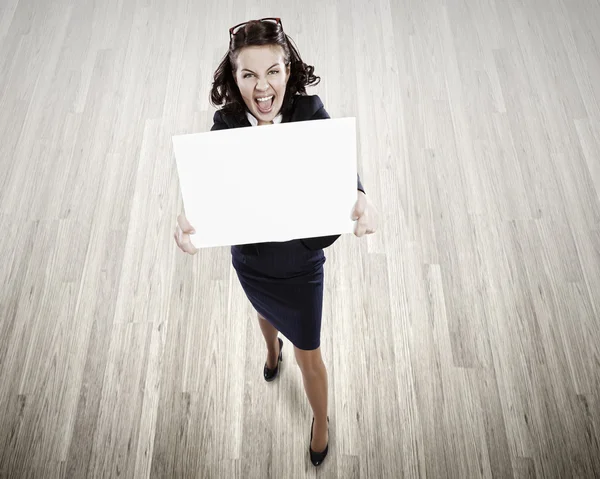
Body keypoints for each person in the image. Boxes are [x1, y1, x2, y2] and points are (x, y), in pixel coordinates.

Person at [173, 17, 379, 467]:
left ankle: (321, 421)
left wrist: (360, 196)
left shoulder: (310, 111)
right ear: (234, 78)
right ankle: (270, 349)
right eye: (248, 75)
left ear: (289, 70)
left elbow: (342, 168)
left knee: (311, 356)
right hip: (253, 262)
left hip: (302, 266)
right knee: (263, 312)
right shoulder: (225, 123)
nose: (262, 87)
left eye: (272, 72)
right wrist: (187, 217)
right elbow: (205, 186)